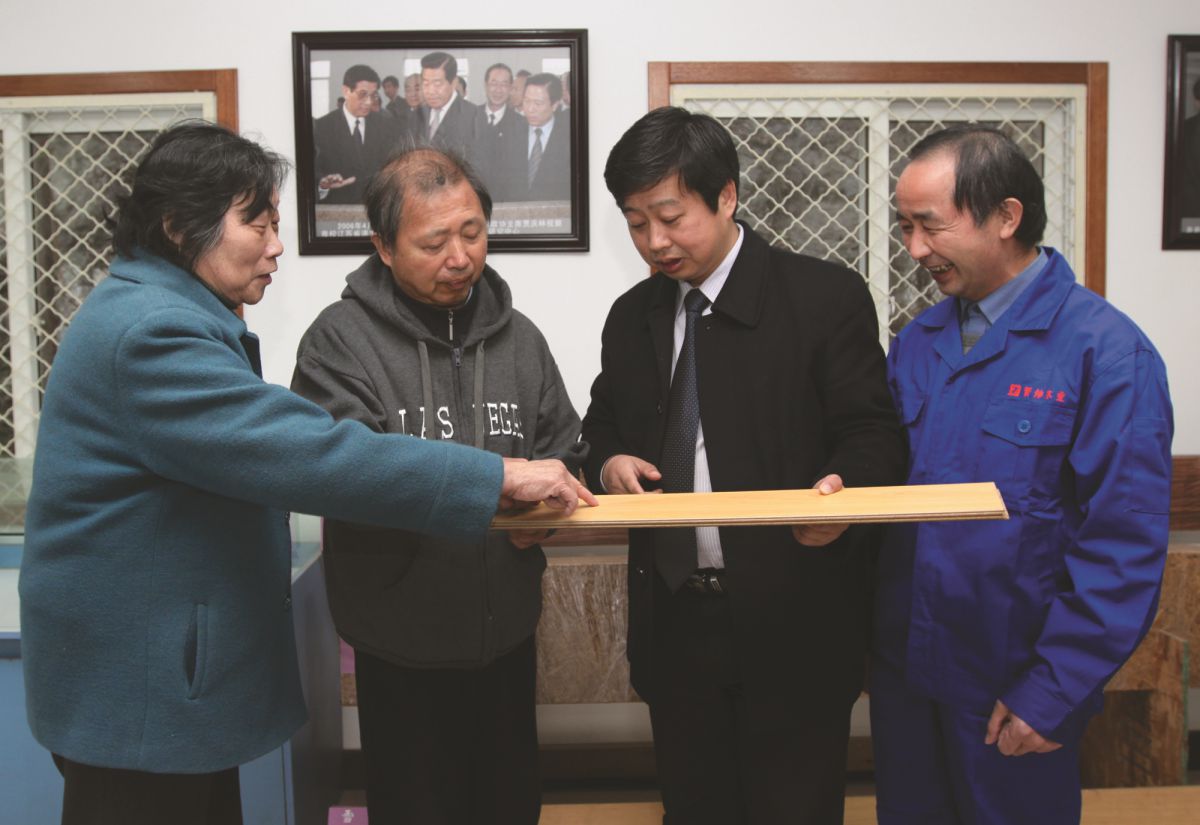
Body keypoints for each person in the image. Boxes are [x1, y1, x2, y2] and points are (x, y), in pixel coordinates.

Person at [18, 121, 594, 825]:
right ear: (178, 227)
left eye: (275, 224)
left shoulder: (168, 314)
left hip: (163, 687)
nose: (276, 246)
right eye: (257, 225)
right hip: (142, 691)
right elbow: (312, 453)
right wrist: (493, 478)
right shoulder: (152, 332)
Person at [580, 107, 906, 824]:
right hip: (675, 625)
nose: (654, 242)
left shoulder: (823, 297)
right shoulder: (632, 316)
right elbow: (599, 427)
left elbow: (873, 434)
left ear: (726, 195)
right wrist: (608, 463)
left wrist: (843, 494)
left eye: (671, 217)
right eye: (636, 223)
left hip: (794, 622)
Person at [873, 125, 1173, 824]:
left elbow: (1122, 545)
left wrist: (1053, 691)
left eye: (930, 225)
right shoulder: (917, 343)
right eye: (905, 226)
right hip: (910, 675)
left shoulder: (1105, 353)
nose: (914, 249)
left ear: (1006, 216)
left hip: (1013, 684)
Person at [290, 146, 582, 825]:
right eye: (433, 243)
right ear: (384, 247)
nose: (460, 257)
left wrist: (549, 504)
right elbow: (345, 472)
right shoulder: (339, 342)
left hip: (507, 635)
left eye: (473, 233)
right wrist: (492, 480)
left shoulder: (521, 340)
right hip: (400, 645)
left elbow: (563, 446)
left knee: (511, 808)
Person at [313, 64, 399, 205]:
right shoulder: (322, 127)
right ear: (346, 91)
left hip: (376, 208)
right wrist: (323, 184)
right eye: (363, 94)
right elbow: (313, 172)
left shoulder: (385, 126)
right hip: (336, 209)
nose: (369, 102)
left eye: (373, 95)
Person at [500, 73, 570, 203]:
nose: (530, 109)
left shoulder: (569, 138)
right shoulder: (509, 133)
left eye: (538, 103)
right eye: (527, 101)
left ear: (555, 105)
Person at [471, 62, 524, 199]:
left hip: (507, 199)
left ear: (510, 88)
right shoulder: (470, 116)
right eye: (493, 83)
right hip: (474, 196)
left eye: (504, 84)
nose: (498, 90)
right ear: (486, 85)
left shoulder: (521, 124)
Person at [413, 51, 479, 158]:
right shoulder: (417, 114)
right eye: (426, 83)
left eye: (437, 84)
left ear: (454, 83)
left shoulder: (474, 116)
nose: (430, 91)